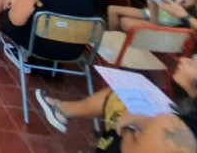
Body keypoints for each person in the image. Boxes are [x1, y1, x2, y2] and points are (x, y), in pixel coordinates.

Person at [34, 56, 197, 150]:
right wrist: (143, 120)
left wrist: (128, 125)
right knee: (121, 95)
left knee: (122, 106)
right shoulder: (179, 117)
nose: (183, 59)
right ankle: (63, 110)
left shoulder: (172, 127)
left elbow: (131, 149)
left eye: (191, 63)